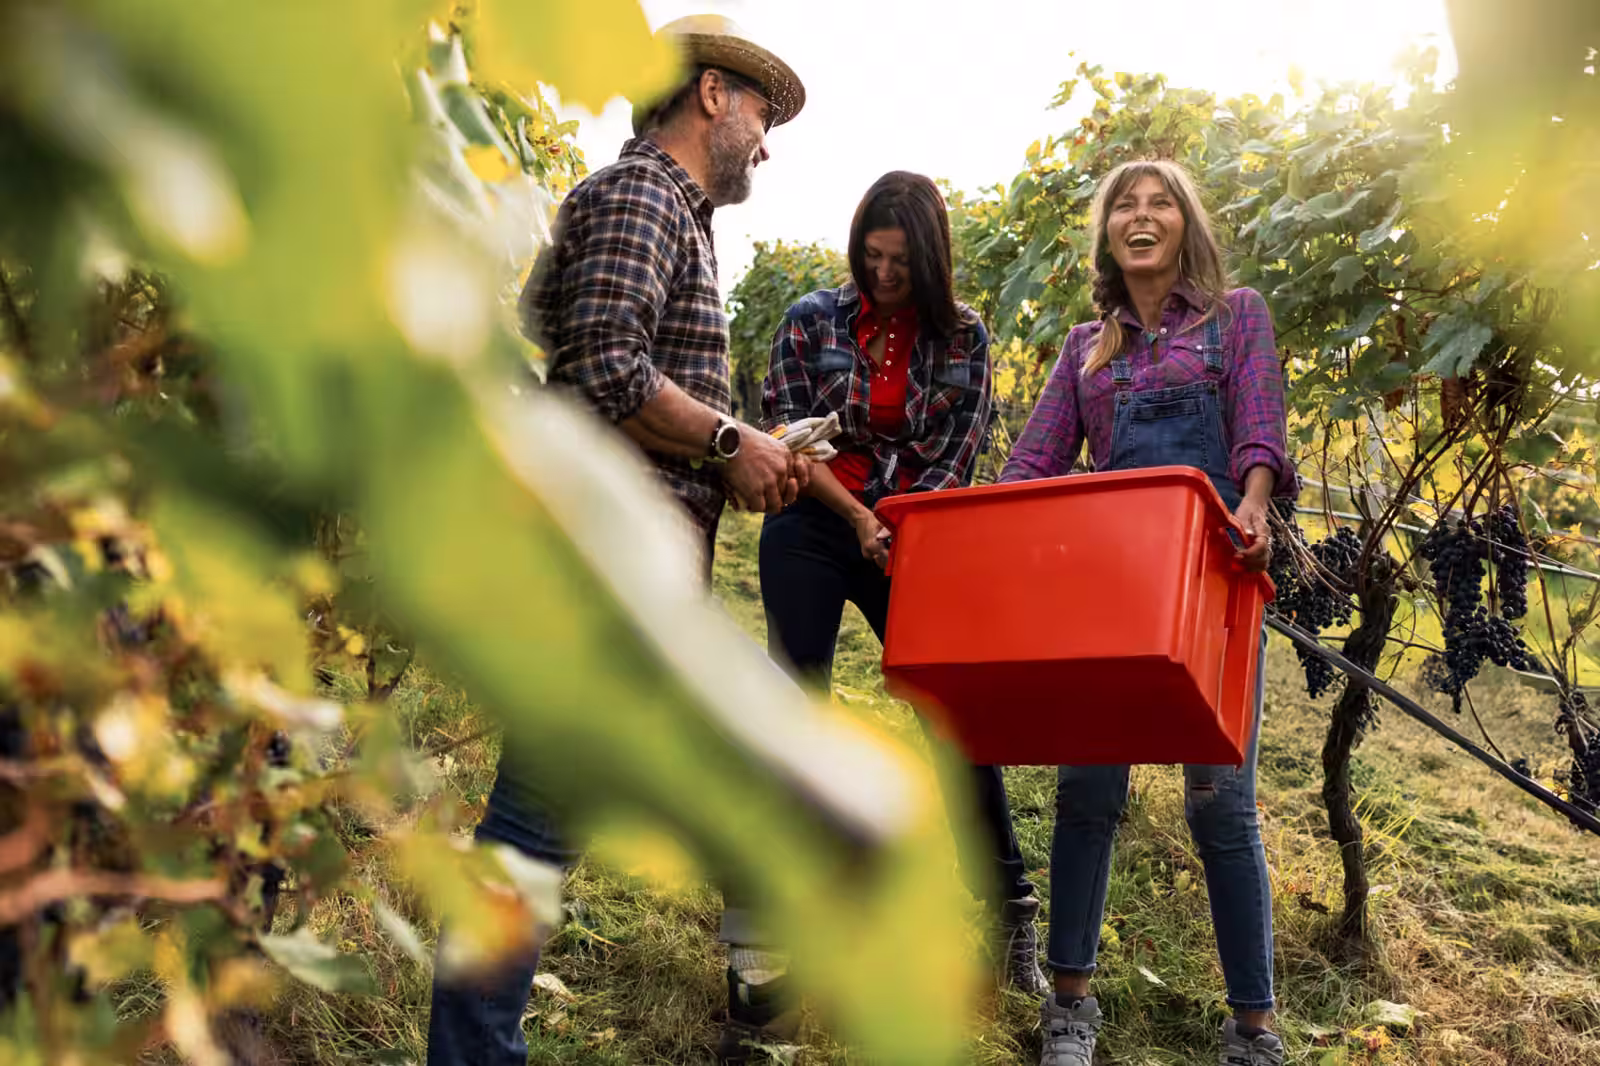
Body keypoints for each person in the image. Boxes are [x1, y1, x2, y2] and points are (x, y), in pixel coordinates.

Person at [425, 16, 809, 1066]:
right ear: (714, 96)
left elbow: (571, 340)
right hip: (602, 572)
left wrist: (740, 448)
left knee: (537, 835)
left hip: (621, 565)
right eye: (762, 113)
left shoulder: (663, 209)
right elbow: (601, 362)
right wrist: (730, 440)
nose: (767, 141)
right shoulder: (642, 193)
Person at [999, 159, 1293, 1066]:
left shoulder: (1234, 316)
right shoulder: (1087, 348)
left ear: (1183, 224)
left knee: (1220, 803)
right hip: (1113, 596)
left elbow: (1259, 421)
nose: (1141, 214)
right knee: (1088, 788)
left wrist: (1252, 503)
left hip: (1212, 582)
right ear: (1107, 234)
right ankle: (1071, 1012)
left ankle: (1254, 1029)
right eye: (1124, 204)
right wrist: (964, 529)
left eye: (1159, 202)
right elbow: (1033, 465)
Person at [757, 172, 1048, 998]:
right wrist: (858, 517)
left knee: (950, 707)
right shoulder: (811, 319)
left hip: (915, 534)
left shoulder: (965, 339)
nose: (883, 274)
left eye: (900, 261)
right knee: (796, 697)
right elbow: (788, 440)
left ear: (931, 259)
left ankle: (1007, 908)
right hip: (818, 518)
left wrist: (901, 529)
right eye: (871, 257)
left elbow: (956, 458)